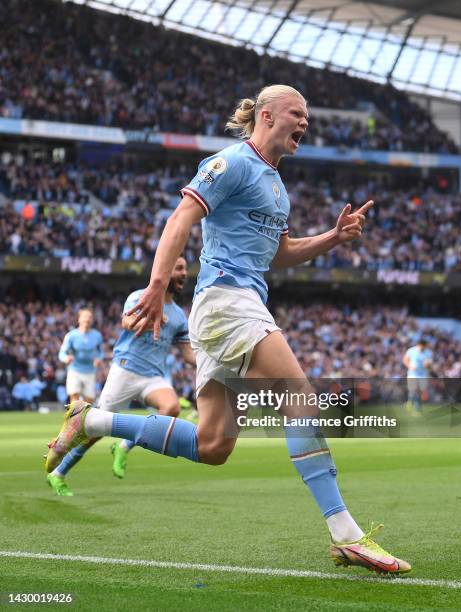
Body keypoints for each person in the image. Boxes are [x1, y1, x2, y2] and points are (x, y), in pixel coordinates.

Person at [46, 84, 410, 574]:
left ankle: (91, 421)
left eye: (307, 117)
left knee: (212, 446)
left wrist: (332, 236)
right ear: (266, 115)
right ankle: (347, 534)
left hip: (236, 306)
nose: (305, 123)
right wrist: (156, 285)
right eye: (296, 114)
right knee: (299, 397)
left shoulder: (276, 184)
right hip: (226, 302)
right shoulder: (232, 163)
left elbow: (279, 253)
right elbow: (182, 216)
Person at [47, 257, 195, 496]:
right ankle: (58, 473)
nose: (184, 274)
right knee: (94, 431)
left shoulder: (179, 316)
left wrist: (213, 362)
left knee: (172, 407)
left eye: (185, 269)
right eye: (178, 268)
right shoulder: (141, 297)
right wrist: (149, 320)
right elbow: (126, 322)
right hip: (125, 371)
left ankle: (123, 446)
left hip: (153, 377)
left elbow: (189, 354)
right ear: (164, 271)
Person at [58, 308, 104, 404]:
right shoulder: (71, 335)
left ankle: (85, 419)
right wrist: (66, 358)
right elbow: (62, 353)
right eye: (85, 316)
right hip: (75, 370)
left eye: (90, 317)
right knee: (74, 396)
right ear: (79, 319)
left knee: (89, 400)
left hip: (90, 371)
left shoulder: (97, 335)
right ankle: (74, 419)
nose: (87, 319)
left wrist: (98, 359)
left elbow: (101, 352)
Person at [403, 338, 433, 415]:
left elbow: (430, 366)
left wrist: (428, 365)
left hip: (423, 374)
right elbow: (405, 360)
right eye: (422, 346)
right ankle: (410, 403)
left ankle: (417, 409)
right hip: (413, 373)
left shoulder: (428, 352)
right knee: (412, 390)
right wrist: (410, 366)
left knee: (420, 392)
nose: (423, 347)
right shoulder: (411, 350)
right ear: (418, 345)